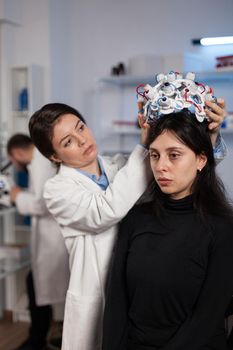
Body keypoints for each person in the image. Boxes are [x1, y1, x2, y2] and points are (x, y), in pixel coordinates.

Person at [28, 100, 226, 350]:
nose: (82, 140)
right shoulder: (56, 190)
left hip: (138, 291)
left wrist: (210, 135)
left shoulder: (119, 166)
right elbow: (105, 210)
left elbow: (181, 170)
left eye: (80, 128)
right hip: (99, 296)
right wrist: (144, 146)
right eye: (67, 141)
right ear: (54, 156)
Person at [102, 110, 233, 350]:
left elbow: (207, 317)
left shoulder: (223, 227)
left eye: (174, 155)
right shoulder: (135, 219)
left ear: (201, 160)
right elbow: (116, 304)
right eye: (154, 155)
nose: (161, 166)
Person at [7, 134, 70, 350]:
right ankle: (40, 337)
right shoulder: (39, 162)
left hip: (54, 240)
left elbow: (40, 205)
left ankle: (39, 339)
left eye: (13, 160)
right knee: (37, 285)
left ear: (16, 153)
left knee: (38, 285)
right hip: (51, 239)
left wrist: (15, 195)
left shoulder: (41, 163)